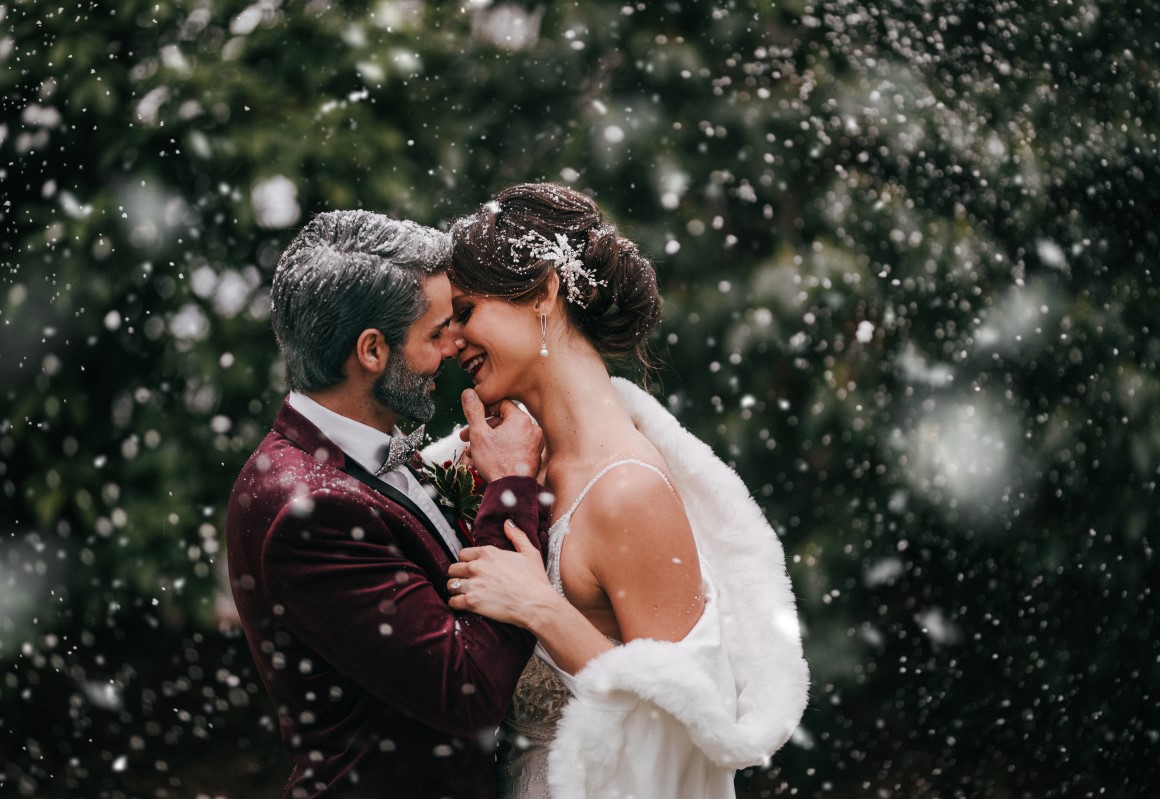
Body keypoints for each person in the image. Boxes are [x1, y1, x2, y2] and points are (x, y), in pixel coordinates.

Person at [440, 184, 809, 798]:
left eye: (466, 311)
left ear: (544, 292)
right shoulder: (517, 464)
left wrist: (540, 608)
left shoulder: (626, 492)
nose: (453, 341)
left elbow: (684, 729)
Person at [224, 210, 552, 798]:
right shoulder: (310, 512)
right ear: (372, 350)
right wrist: (510, 488)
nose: (454, 346)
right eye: (436, 332)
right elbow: (468, 691)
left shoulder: (347, 458)